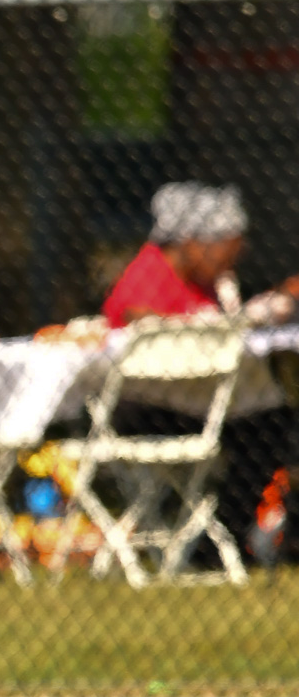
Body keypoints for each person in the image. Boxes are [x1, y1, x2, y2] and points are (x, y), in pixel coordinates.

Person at [99, 182, 299, 557]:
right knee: (268, 426)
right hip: (147, 407)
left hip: (198, 402)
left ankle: (225, 541)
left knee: (273, 422)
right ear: (193, 241)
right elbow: (144, 322)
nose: (234, 260)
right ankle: (216, 546)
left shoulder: (206, 283)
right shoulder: (148, 274)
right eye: (228, 248)